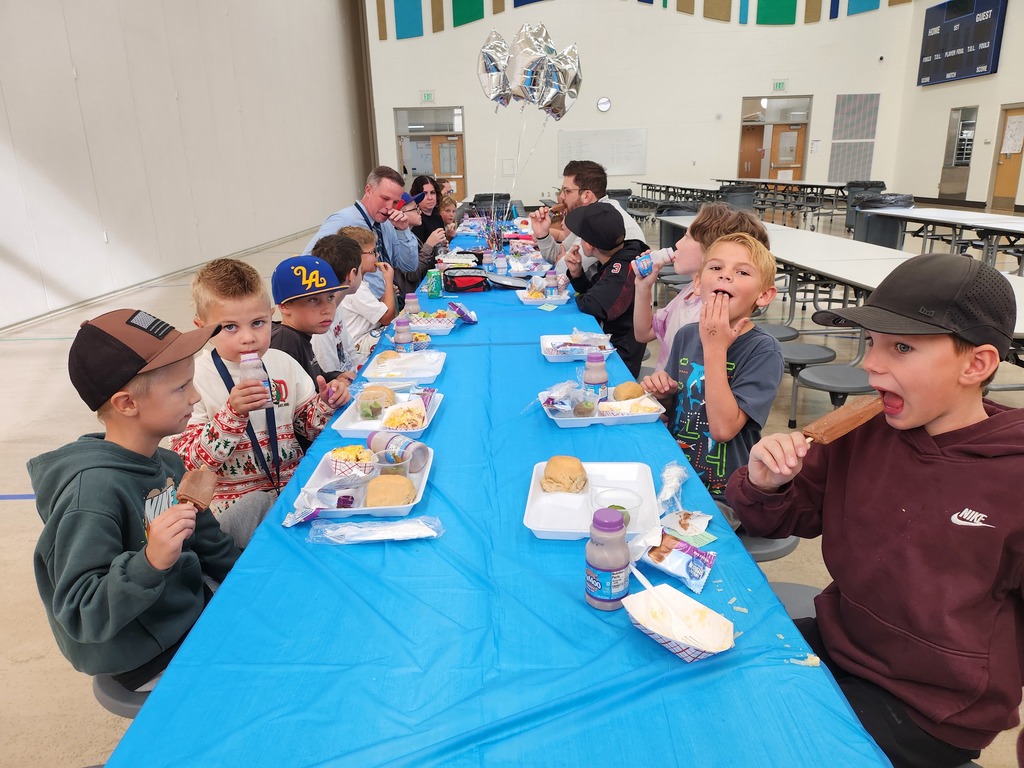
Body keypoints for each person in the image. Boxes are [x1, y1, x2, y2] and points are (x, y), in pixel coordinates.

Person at [725, 253, 1023, 768]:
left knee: (767, 743)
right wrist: (765, 485)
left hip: (933, 707)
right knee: (713, 679)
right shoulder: (860, 431)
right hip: (843, 643)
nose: (870, 365)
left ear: (976, 365)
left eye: (902, 347)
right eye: (871, 344)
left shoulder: (1012, 478)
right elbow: (778, 520)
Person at [29, 309, 240, 691]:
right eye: (181, 388)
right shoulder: (91, 494)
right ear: (127, 403)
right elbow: (80, 613)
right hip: (146, 655)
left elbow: (212, 545)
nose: (195, 396)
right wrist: (149, 563)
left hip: (188, 610)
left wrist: (259, 577)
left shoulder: (167, 462)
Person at [172, 259, 348, 546]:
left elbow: (308, 427)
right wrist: (232, 415)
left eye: (258, 323)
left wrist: (327, 404)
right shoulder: (194, 379)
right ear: (202, 328)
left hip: (295, 497)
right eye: (229, 327)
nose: (248, 338)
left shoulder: (282, 362)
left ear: (271, 316)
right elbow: (189, 462)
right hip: (237, 518)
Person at [642, 232, 782, 501]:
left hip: (725, 492)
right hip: (676, 473)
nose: (725, 276)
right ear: (697, 283)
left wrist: (715, 347)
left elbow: (723, 429)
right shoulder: (686, 335)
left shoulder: (763, 350)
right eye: (716, 268)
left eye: (742, 272)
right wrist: (662, 394)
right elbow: (676, 407)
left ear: (764, 295)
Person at [633, 202, 771, 371]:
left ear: (710, 252)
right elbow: (644, 333)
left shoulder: (712, 313)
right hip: (667, 396)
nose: (677, 244)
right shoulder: (690, 292)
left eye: (687, 237)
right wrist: (643, 287)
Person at [304, 166, 419, 302]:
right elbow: (309, 262)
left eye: (395, 202)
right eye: (384, 198)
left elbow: (409, 266)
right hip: (360, 310)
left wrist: (403, 230)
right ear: (368, 190)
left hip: (385, 305)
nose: (389, 207)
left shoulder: (387, 225)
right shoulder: (343, 220)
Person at [563, 202, 647, 377]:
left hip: (618, 359)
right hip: (604, 344)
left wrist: (581, 296)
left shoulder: (622, 268)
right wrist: (577, 274)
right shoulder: (617, 258)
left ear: (590, 245)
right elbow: (595, 292)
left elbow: (593, 303)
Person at [529, 160, 646, 276]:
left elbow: (562, 270)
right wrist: (542, 234)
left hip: (611, 291)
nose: (562, 197)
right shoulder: (590, 214)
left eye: (567, 191)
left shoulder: (601, 220)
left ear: (586, 196)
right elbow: (558, 254)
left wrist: (562, 260)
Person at [268, 254, 352, 391]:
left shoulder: (300, 334)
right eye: (313, 300)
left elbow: (315, 377)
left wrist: (336, 377)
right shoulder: (285, 341)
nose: (327, 309)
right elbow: (286, 405)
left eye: (330, 297)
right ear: (284, 306)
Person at [337, 225, 398, 363]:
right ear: (357, 256)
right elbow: (387, 317)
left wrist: (388, 293)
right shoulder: (356, 289)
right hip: (358, 343)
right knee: (400, 333)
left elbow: (381, 309)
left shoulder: (360, 283)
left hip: (366, 335)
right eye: (373, 252)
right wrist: (388, 281)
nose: (377, 256)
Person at [309, 235, 361, 381]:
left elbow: (350, 351)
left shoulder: (336, 306)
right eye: (360, 269)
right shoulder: (321, 323)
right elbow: (330, 379)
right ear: (352, 275)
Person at [395, 192, 443, 298]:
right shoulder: (398, 241)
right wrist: (429, 245)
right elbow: (413, 274)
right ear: (400, 214)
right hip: (410, 297)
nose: (419, 212)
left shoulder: (411, 235)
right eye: (414, 208)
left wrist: (437, 249)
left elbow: (423, 267)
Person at [410, 175, 444, 244]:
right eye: (425, 194)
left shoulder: (437, 216)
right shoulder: (416, 221)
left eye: (432, 193)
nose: (430, 198)